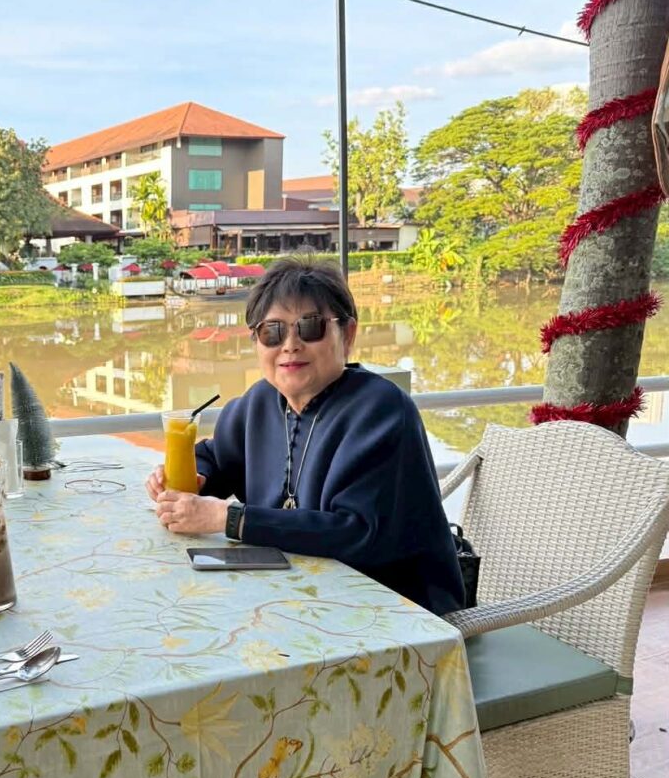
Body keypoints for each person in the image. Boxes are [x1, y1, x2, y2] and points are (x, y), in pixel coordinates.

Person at [146, 257, 464, 615]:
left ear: (348, 334)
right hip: (293, 595)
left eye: (310, 327)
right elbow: (216, 457)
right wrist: (195, 477)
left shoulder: (382, 410)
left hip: (394, 607)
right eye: (272, 332)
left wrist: (229, 518)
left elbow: (358, 531)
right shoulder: (258, 402)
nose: (290, 344)